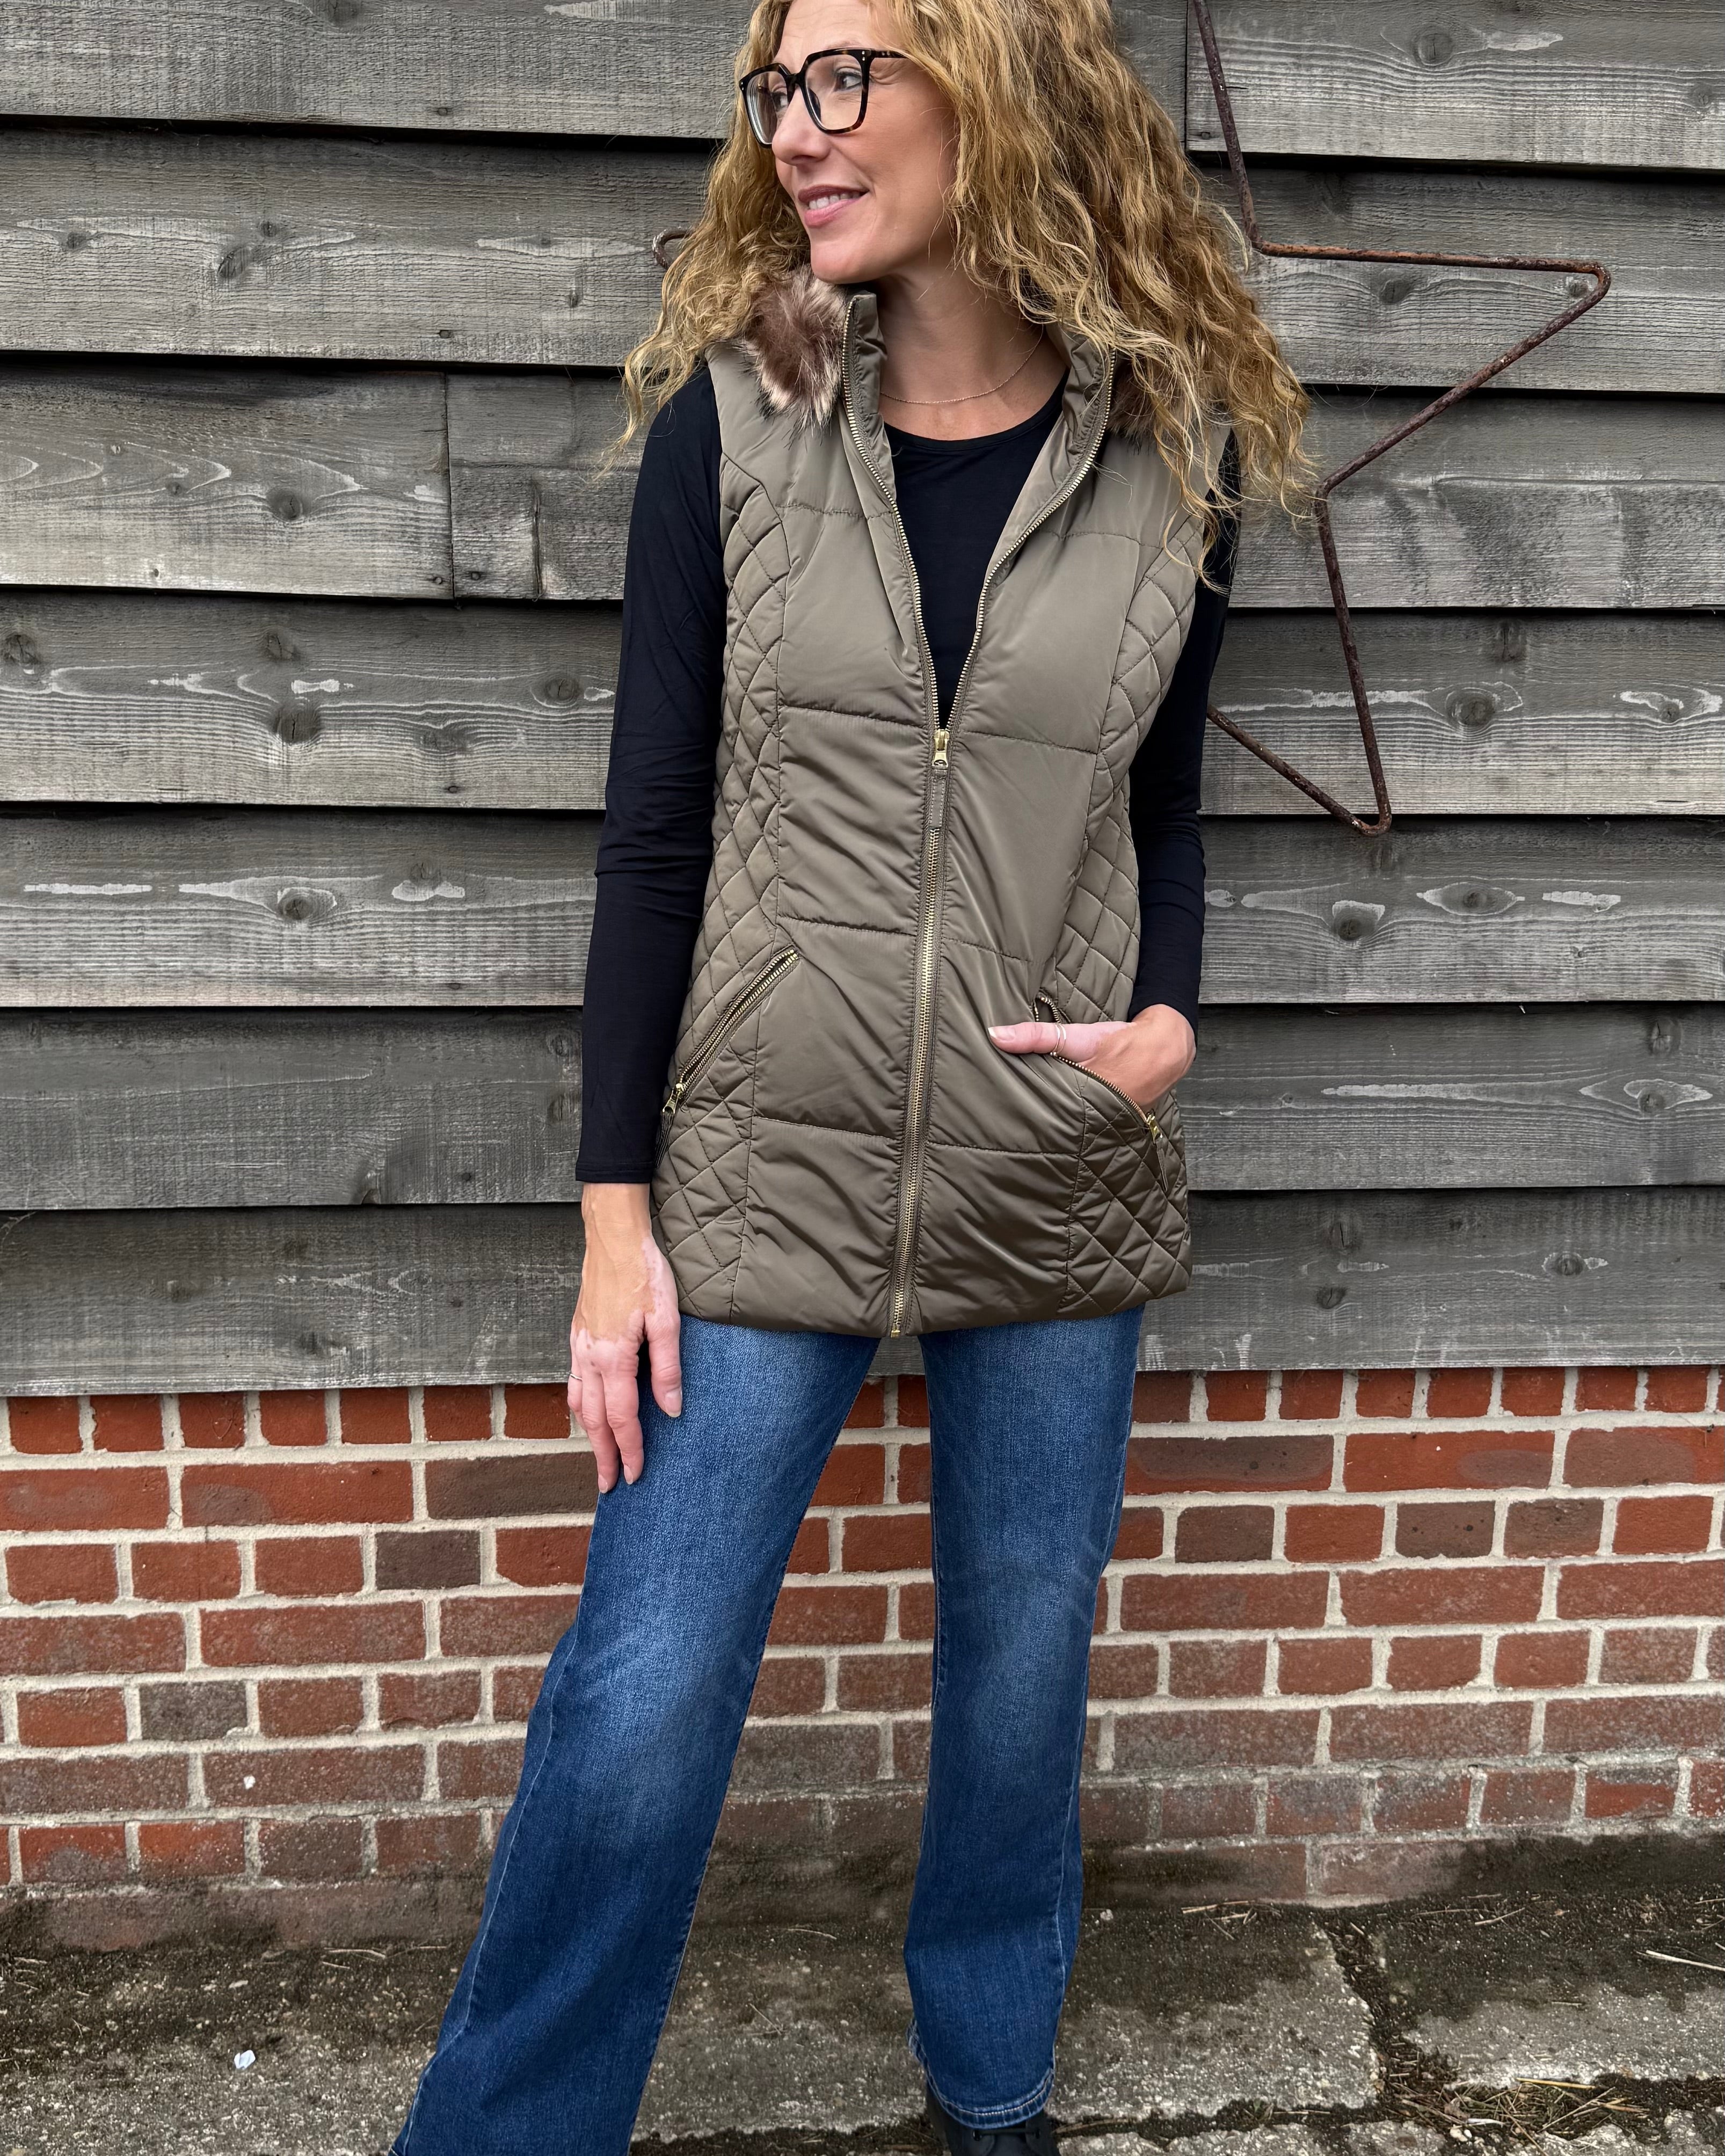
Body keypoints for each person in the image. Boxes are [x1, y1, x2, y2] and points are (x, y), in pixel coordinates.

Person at [395, 1, 1308, 2149]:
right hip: (755, 1177)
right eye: (775, 93)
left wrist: (1170, 1019)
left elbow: (1162, 806)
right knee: (638, 1702)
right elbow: (651, 834)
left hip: (1051, 1164)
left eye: (842, 77)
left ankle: (992, 2089)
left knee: (1014, 1690)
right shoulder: (745, 423)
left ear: (990, 84)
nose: (796, 134)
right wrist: (616, 1223)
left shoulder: (1175, 450)